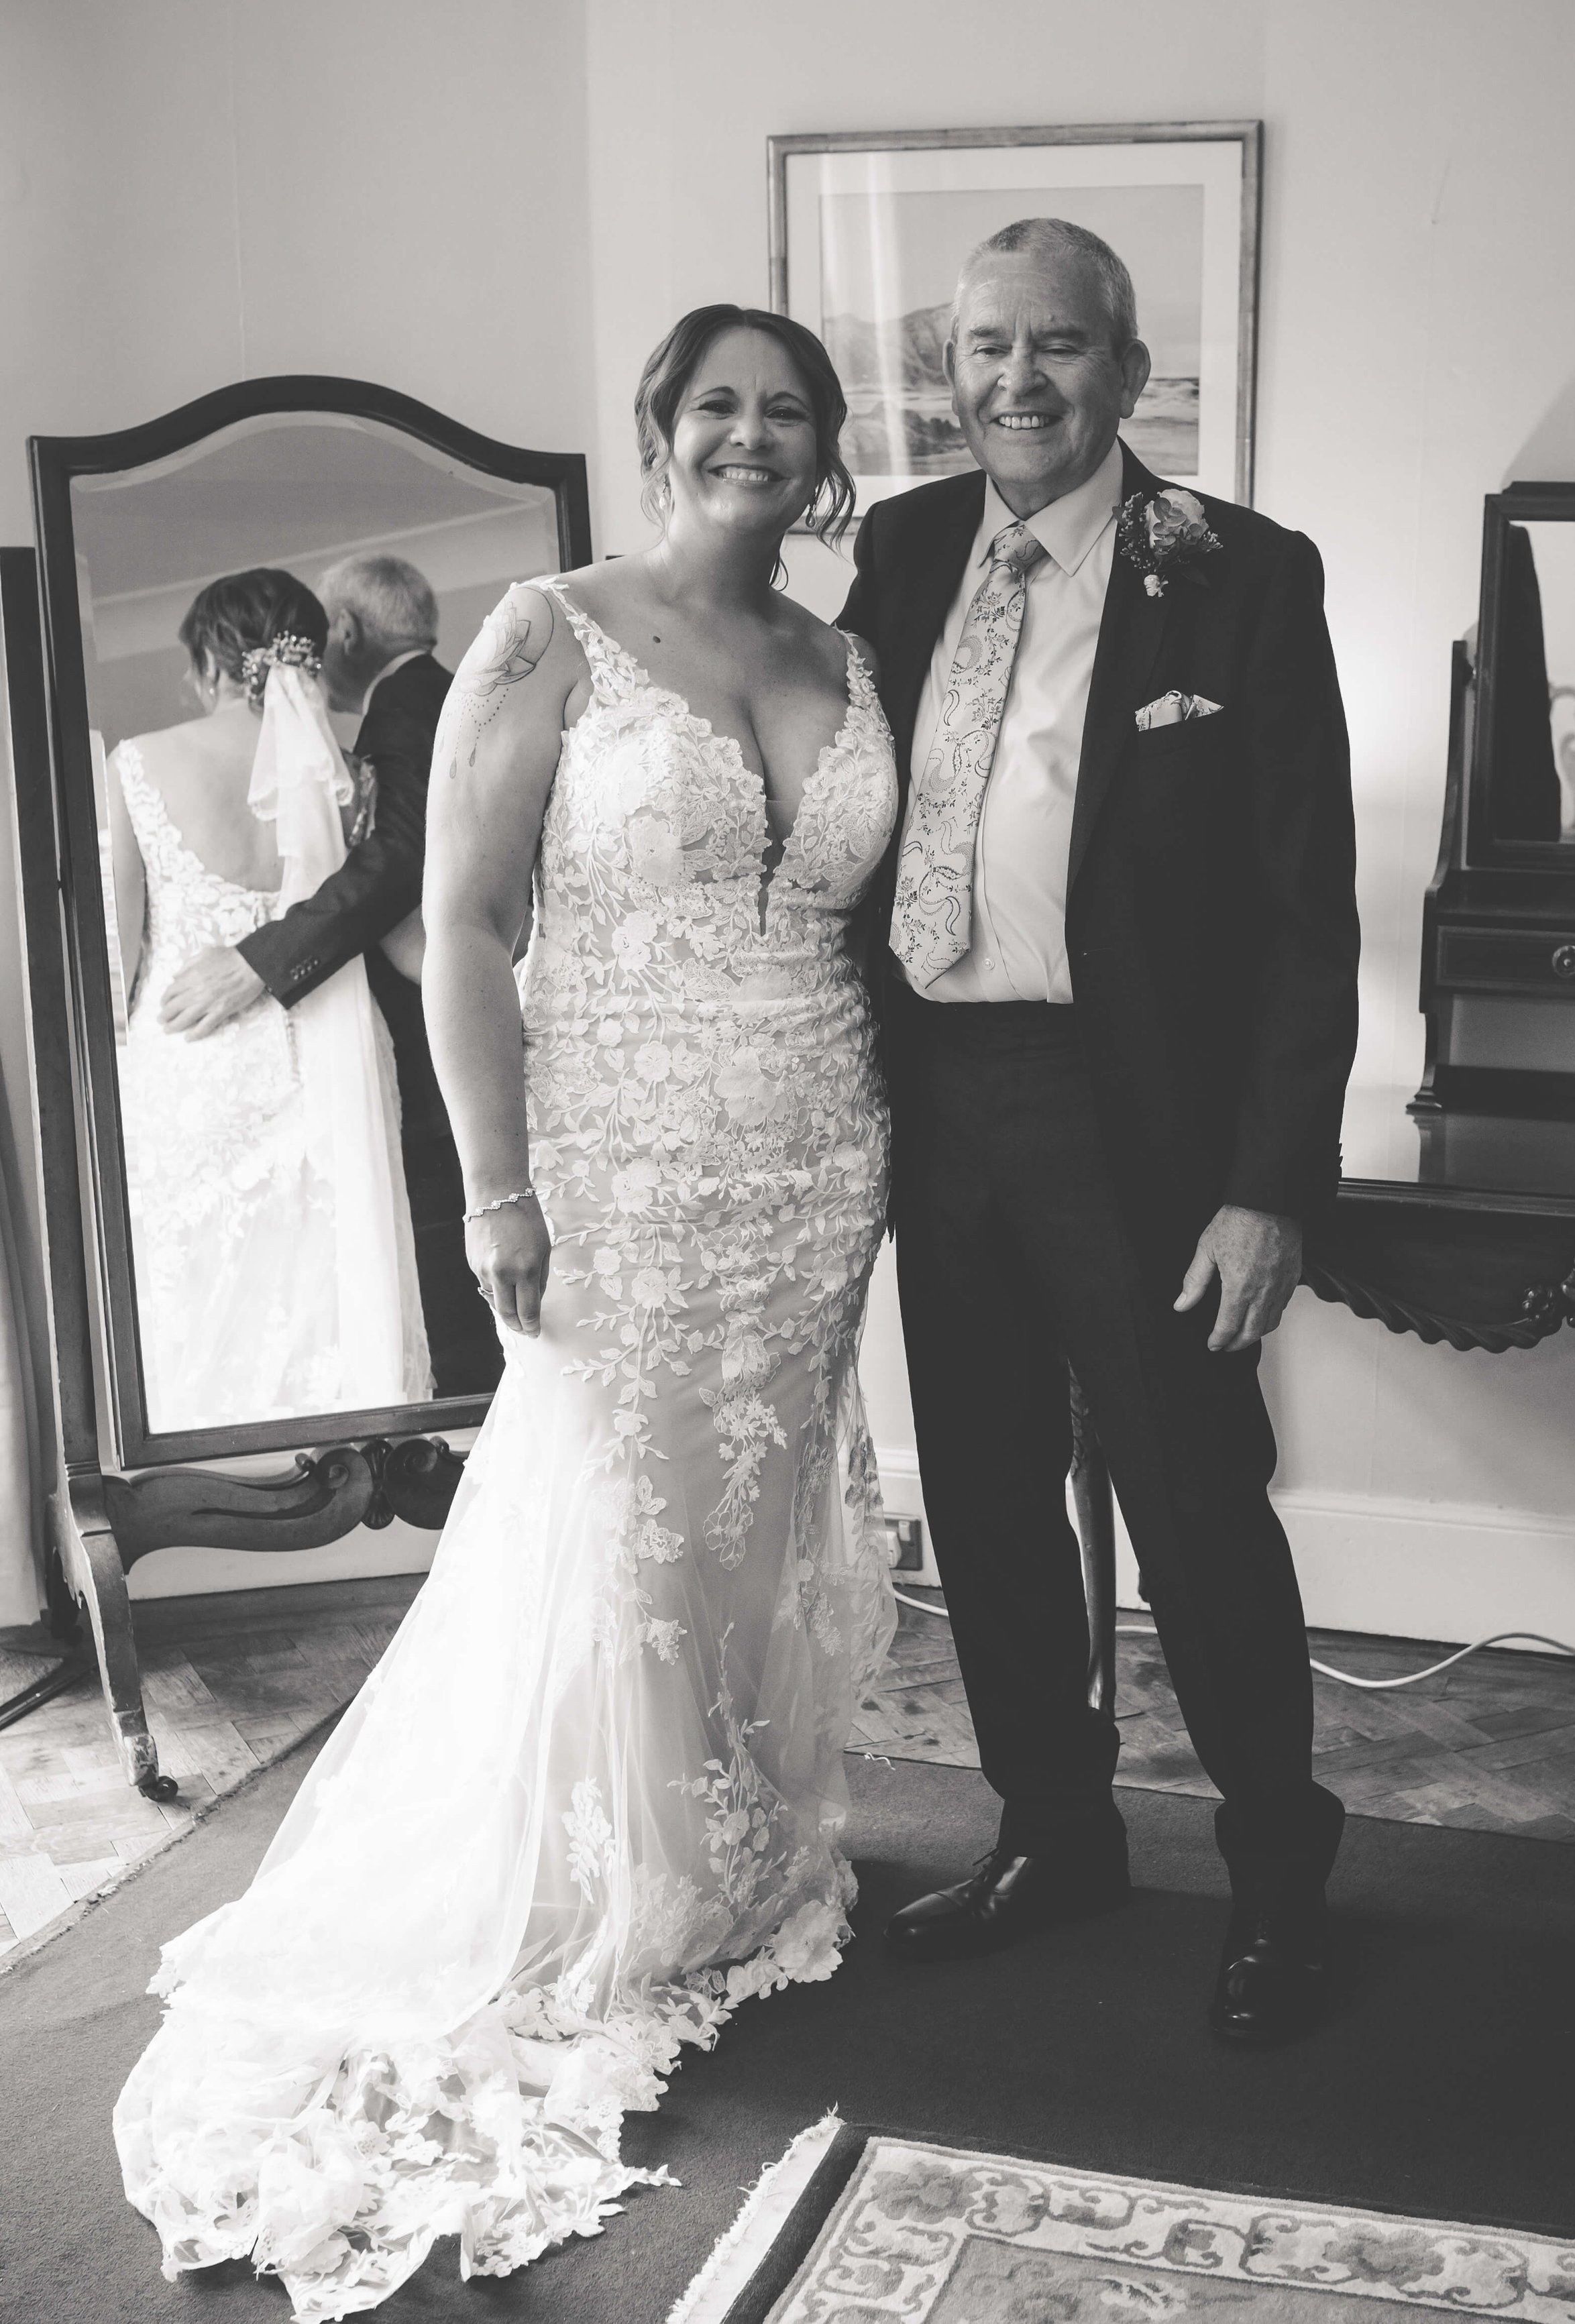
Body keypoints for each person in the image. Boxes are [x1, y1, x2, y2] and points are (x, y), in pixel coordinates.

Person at [113, 307, 901, 2315]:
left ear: (822, 453)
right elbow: (458, 919)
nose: (751, 434)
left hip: (817, 1156)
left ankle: (734, 1860)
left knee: (744, 1524)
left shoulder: (849, 656)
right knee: (609, 1524)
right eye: (715, 403)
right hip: (614, 1158)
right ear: (659, 429)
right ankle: (598, 1892)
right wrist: (495, 1182)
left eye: (784, 411)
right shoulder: (550, 628)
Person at [840, 218, 1360, 2045]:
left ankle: (1279, 1877)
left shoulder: (1239, 575)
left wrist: (1265, 1187)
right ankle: (1052, 1834)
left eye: (1056, 346)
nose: (1015, 382)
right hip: (940, 1108)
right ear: (948, 371)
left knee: (1196, 1508)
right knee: (979, 1501)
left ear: (1127, 371)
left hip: (1133, 1122)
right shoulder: (898, 553)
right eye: (984, 349)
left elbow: (1308, 911)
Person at [160, 553, 502, 1395]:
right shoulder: (430, 699)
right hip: (422, 1025)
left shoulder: (418, 707)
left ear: (344, 631)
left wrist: (261, 960)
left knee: (450, 1269)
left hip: (442, 1029)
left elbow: (398, 858)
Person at [109, 567, 432, 1432]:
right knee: (323, 1281)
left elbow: (115, 954)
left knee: (198, 1292)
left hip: (191, 1058)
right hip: (332, 1067)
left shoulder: (140, 762)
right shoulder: (356, 768)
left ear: (216, 661)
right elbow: (395, 932)